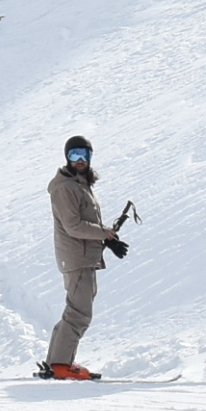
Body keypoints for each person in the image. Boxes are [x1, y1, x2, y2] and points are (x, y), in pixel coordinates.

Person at [45, 135, 127, 379]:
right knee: (79, 313)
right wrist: (104, 233)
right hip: (76, 258)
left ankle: (56, 363)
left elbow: (85, 222)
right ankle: (60, 365)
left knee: (75, 311)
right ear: (66, 157)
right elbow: (73, 226)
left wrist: (107, 240)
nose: (80, 159)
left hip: (82, 256)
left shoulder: (80, 184)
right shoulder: (66, 187)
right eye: (74, 155)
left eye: (84, 154)